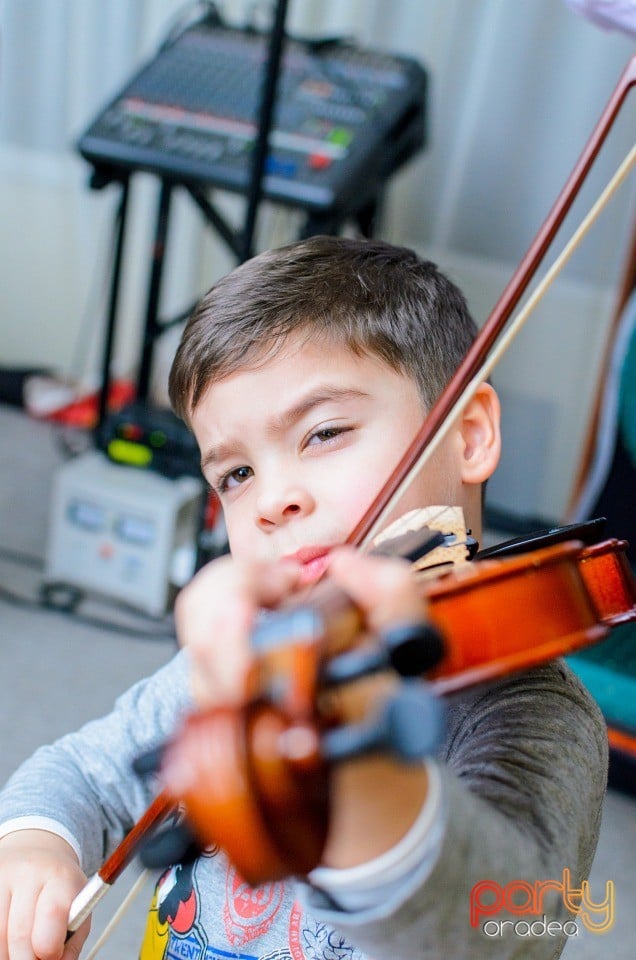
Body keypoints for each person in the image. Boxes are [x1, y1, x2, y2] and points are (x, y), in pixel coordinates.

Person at [0, 236, 608, 960]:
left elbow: (504, 933)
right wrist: (36, 847)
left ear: (468, 435)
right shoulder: (255, 661)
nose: (272, 501)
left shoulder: (535, 715)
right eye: (235, 475)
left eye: (323, 433)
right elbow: (83, 773)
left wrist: (363, 760)